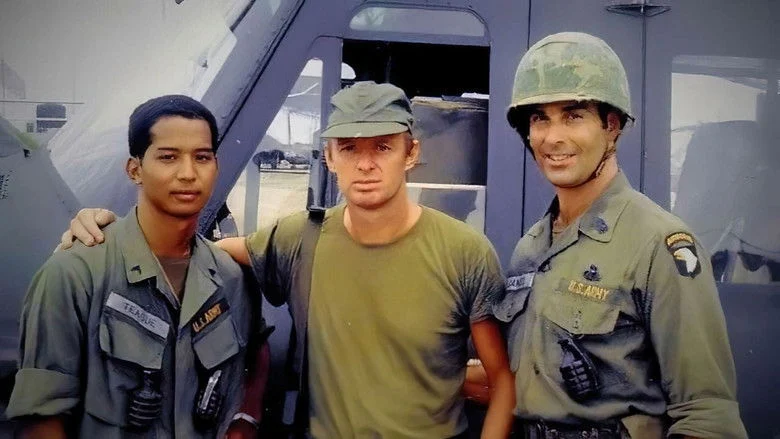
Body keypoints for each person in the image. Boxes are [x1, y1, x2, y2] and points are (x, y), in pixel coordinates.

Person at [58, 82, 516, 438]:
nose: (366, 164)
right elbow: (192, 252)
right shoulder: (301, 239)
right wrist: (107, 230)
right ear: (330, 157)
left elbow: (503, 382)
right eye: (349, 148)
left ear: (411, 153)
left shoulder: (463, 252)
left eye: (382, 147)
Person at [495, 32, 747, 438]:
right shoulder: (532, 246)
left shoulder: (658, 243)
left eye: (573, 116)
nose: (552, 137)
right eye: (540, 118)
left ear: (611, 126)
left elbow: (707, 413)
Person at [7, 95, 270, 439]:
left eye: (202, 157)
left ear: (216, 167)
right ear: (135, 170)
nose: (188, 174)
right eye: (168, 157)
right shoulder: (74, 275)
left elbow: (255, 350)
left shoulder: (229, 277)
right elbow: (42, 419)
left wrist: (246, 418)